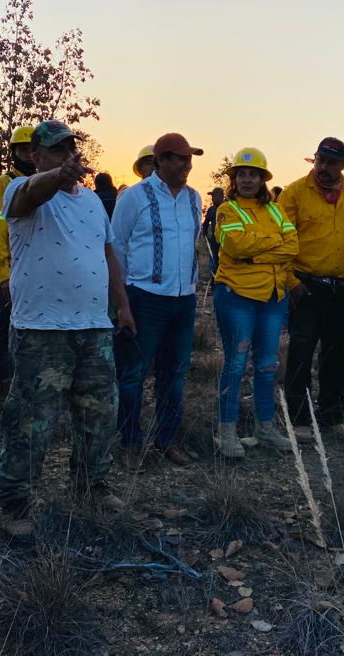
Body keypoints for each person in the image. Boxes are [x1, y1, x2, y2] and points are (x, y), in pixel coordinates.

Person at [0, 120, 135, 538]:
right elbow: (31, 194)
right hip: (42, 330)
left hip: (94, 327)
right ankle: (16, 502)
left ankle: (92, 486)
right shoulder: (20, 191)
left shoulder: (91, 201)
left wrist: (123, 306)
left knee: (100, 414)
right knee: (31, 420)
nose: (68, 155)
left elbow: (107, 253)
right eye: (56, 150)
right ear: (33, 155)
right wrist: (56, 175)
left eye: (71, 149)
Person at [112, 133, 204, 470]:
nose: (187, 165)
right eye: (179, 158)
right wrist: (123, 299)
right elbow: (116, 246)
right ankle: (130, 442)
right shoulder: (134, 197)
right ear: (160, 161)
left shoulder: (194, 198)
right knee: (133, 374)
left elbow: (193, 244)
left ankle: (166, 440)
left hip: (184, 299)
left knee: (175, 374)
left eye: (189, 159)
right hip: (145, 299)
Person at [279, 137, 344, 442]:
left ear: (343, 165)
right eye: (320, 160)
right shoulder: (294, 193)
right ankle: (299, 420)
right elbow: (279, 240)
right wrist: (291, 283)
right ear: (314, 159)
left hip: (343, 288)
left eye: (332, 163)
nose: (324, 167)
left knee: (340, 354)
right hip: (305, 287)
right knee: (301, 353)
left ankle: (332, 418)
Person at [213, 148, 298, 458]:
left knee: (266, 366)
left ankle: (265, 428)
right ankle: (226, 432)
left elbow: (293, 246)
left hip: (273, 298)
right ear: (234, 179)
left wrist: (255, 255)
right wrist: (273, 245)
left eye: (253, 174)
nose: (247, 180)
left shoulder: (276, 211)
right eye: (241, 174)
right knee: (235, 365)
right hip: (237, 296)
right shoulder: (227, 210)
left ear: (263, 179)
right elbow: (236, 246)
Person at [0, 125, 36, 397]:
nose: (28, 155)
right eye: (23, 150)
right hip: (12, 272)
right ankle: (1, 381)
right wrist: (3, 276)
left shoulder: (45, 185)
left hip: (38, 271)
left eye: (32, 149)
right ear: (13, 152)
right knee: (7, 326)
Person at [202, 187, 225, 276]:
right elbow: (206, 223)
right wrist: (204, 234)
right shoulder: (211, 209)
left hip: (226, 241)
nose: (212, 198)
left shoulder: (228, 208)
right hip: (214, 241)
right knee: (214, 260)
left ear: (221, 196)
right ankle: (213, 278)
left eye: (214, 196)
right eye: (212, 196)